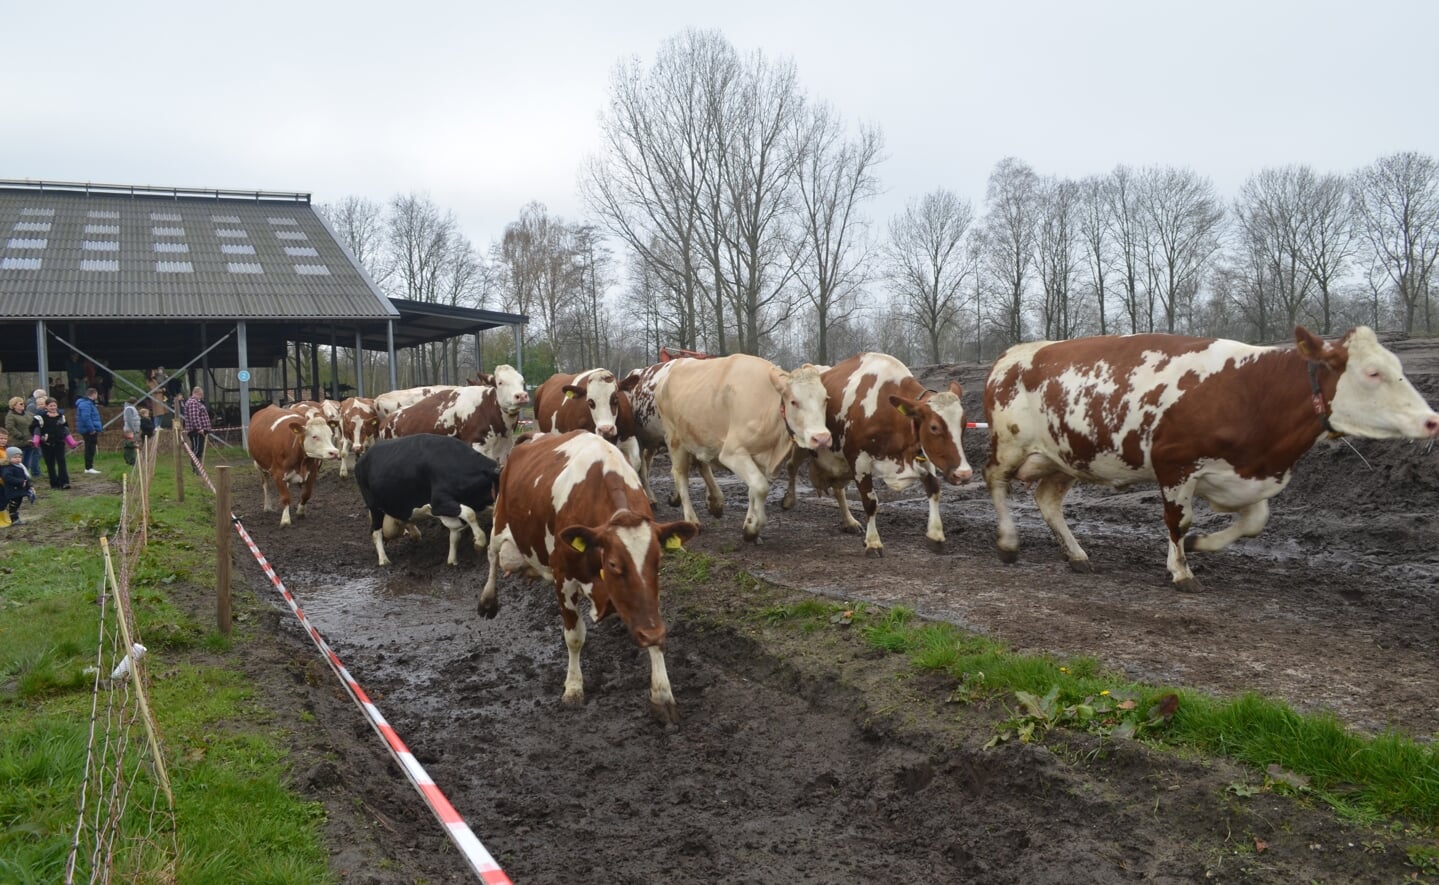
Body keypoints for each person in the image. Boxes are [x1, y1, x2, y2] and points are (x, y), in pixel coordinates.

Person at [31, 398, 78, 489]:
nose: (53, 407)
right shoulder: (40, 418)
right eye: (51, 406)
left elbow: (65, 427)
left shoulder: (61, 416)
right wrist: (40, 437)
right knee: (50, 464)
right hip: (46, 444)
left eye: (54, 405)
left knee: (62, 462)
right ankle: (54, 483)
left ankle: (64, 482)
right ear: (46, 406)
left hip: (59, 442)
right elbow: (34, 428)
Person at [5, 397, 36, 484]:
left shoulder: (29, 414)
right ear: (14, 406)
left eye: (23, 403)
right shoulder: (10, 416)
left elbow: (34, 424)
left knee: (27, 463)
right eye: (20, 404)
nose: (23, 405)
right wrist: (21, 436)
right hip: (17, 443)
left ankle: (26, 479)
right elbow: (10, 427)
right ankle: (18, 480)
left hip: (29, 442)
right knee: (17, 464)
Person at [181, 386, 212, 472]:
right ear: (196, 393)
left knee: (198, 448)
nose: (201, 397)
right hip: (196, 431)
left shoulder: (195, 402)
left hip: (198, 430)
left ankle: (197, 467)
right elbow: (194, 417)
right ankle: (196, 468)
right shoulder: (193, 402)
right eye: (200, 395)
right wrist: (199, 428)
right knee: (197, 449)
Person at [76, 387, 103, 474]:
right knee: (90, 448)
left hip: (90, 428)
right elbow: (86, 417)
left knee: (91, 447)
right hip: (89, 430)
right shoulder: (86, 404)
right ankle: (88, 467)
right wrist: (92, 429)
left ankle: (89, 466)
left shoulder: (89, 403)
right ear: (94, 394)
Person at [3, 446, 33, 526]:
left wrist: (29, 485)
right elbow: (7, 478)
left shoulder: (20, 466)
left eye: (19, 457)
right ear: (9, 458)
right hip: (13, 490)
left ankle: (14, 518)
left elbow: (25, 477)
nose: (18, 459)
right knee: (13, 505)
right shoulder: (8, 468)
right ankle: (14, 519)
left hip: (19, 490)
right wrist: (20, 482)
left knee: (18, 503)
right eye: (15, 457)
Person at [22, 389, 45, 477]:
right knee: (36, 453)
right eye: (43, 395)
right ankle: (35, 472)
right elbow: (31, 420)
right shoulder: (32, 406)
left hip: (38, 433)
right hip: (35, 433)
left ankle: (36, 471)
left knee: (38, 453)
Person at [122, 398, 141, 466]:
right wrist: (133, 430)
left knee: (133, 445)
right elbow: (129, 420)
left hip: (132, 430)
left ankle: (133, 460)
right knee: (131, 446)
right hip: (130, 430)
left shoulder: (131, 408)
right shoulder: (129, 409)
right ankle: (131, 460)